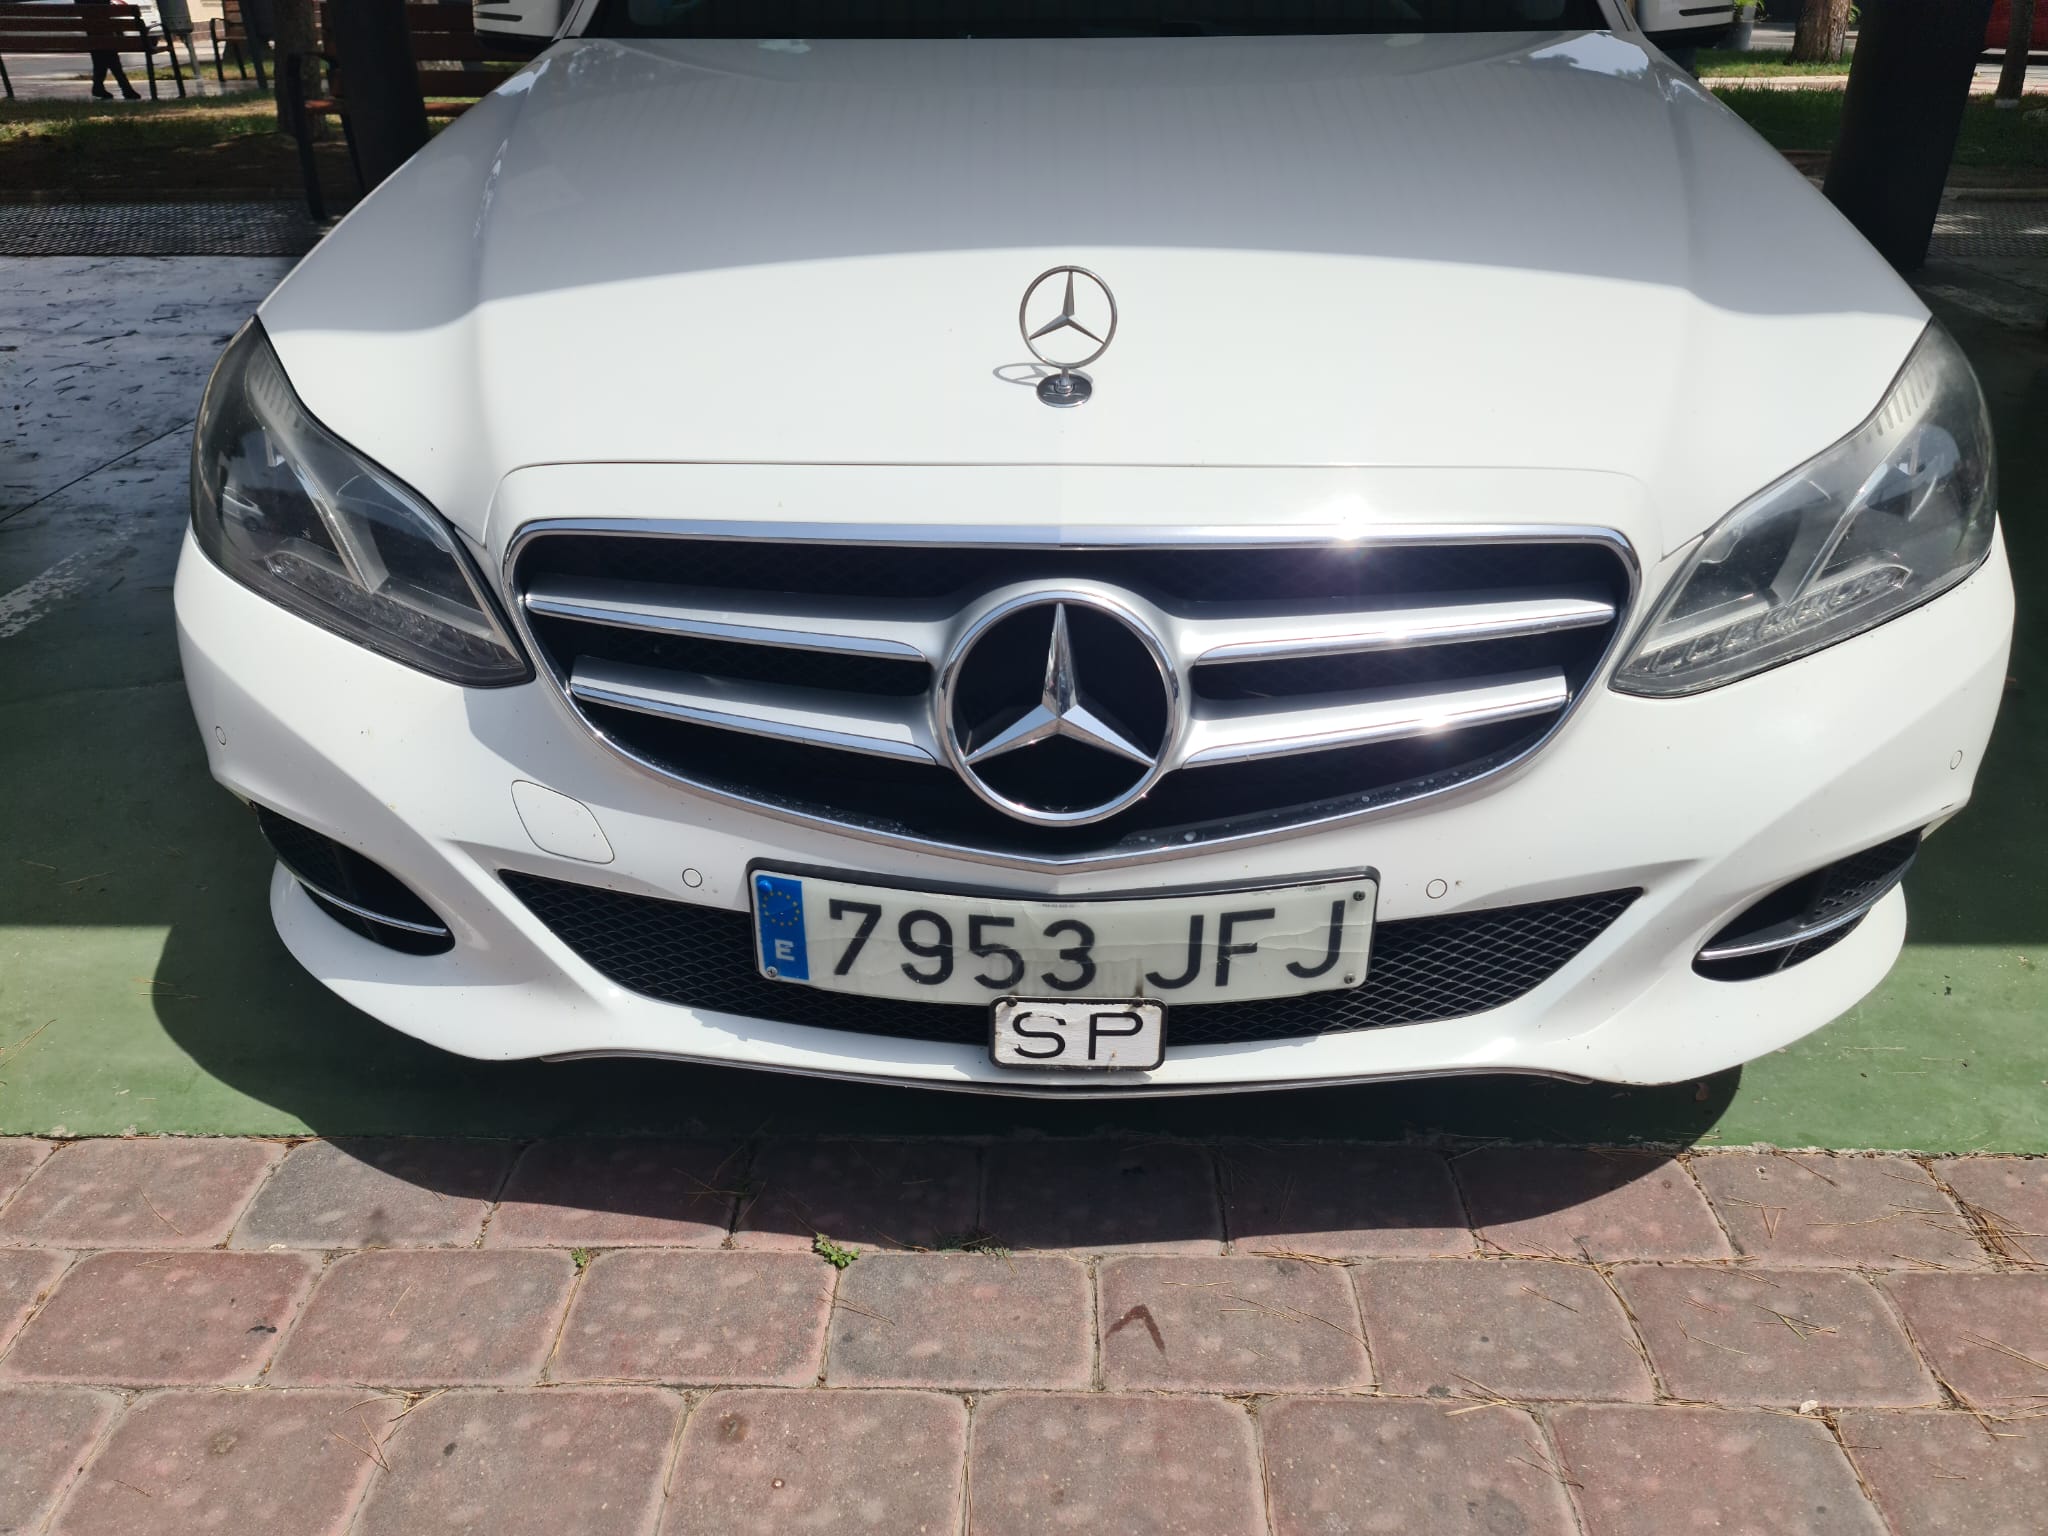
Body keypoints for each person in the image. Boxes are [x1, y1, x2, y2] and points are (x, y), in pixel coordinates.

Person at [78, 0, 142, 100]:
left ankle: (99, 86)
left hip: (92, 37)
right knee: (109, 52)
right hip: (105, 35)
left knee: (101, 53)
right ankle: (125, 88)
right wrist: (119, 33)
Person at [156, 0, 199, 74]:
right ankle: (197, 73)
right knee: (188, 43)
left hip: (169, 24)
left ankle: (195, 73)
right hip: (180, 21)